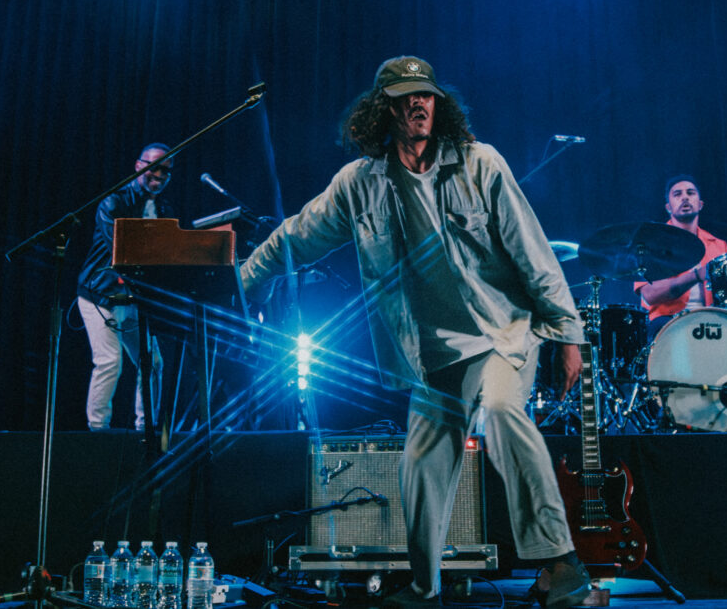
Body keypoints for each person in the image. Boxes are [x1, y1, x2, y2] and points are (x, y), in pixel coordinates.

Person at [240, 56, 591, 609]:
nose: (418, 104)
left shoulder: (481, 165)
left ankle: (563, 564)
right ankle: (423, 586)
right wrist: (246, 280)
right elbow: (297, 235)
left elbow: (534, 250)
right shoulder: (359, 184)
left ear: (438, 103)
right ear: (384, 110)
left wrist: (569, 333)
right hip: (430, 354)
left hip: (500, 332)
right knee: (421, 460)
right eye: (405, 98)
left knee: (501, 413)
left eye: (425, 95)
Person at [77, 144, 173, 431]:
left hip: (131, 299)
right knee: (109, 362)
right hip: (99, 295)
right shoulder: (113, 202)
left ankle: (147, 429)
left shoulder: (164, 208)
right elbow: (120, 252)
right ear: (138, 165)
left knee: (152, 363)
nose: (159, 175)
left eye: (166, 171)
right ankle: (97, 431)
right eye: (154, 167)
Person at [634, 174, 727, 337]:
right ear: (668, 207)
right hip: (668, 322)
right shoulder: (651, 244)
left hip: (713, 321)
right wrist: (697, 276)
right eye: (677, 194)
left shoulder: (719, 245)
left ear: (700, 204)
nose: (685, 197)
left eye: (690, 193)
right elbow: (649, 295)